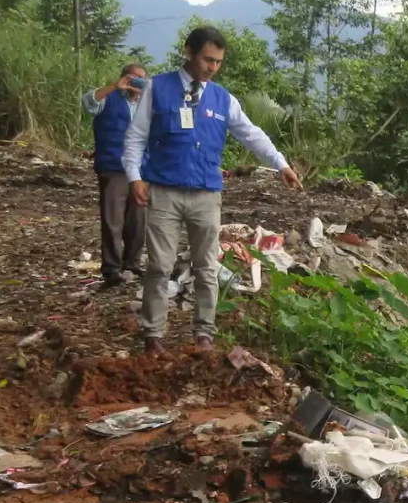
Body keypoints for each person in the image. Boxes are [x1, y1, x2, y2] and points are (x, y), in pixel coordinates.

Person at [123, 26, 302, 353]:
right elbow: (136, 136)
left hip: (206, 194)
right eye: (208, 59)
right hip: (163, 191)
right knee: (159, 266)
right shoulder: (157, 89)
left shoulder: (223, 99)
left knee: (206, 266)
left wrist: (281, 164)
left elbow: (251, 133)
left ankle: (204, 335)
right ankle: (153, 335)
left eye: (218, 62)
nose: (212, 68)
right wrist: (134, 176)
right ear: (189, 52)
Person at [80, 63, 148, 287]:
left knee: (138, 220)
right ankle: (111, 269)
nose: (137, 81)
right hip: (113, 166)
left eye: (141, 78)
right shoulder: (109, 98)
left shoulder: (146, 106)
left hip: (139, 169)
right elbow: (88, 102)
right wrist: (113, 86)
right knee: (113, 220)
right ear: (124, 77)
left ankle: (132, 263)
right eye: (133, 77)